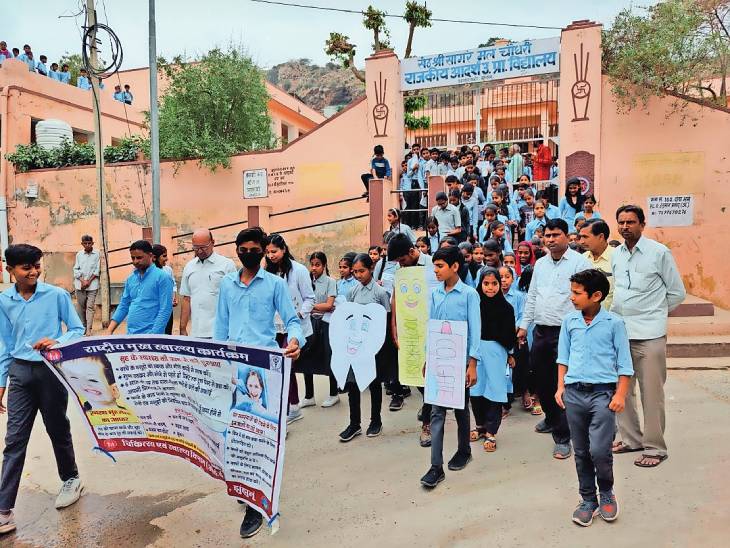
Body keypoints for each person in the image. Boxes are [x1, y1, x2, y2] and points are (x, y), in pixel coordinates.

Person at [213, 227, 302, 539]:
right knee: (235, 433)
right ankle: (244, 483)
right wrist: (218, 365)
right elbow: (221, 327)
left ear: (263, 251)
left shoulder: (275, 284)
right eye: (243, 249)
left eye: (254, 249)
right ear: (236, 250)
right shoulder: (227, 284)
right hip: (234, 369)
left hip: (264, 372)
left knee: (259, 435)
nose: (248, 254)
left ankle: (255, 504)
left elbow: (292, 321)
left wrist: (295, 340)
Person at [0, 244, 85, 535]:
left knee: (57, 428)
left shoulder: (56, 295)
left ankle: (71, 479)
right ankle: (4, 509)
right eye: (26, 268)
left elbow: (77, 330)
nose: (34, 272)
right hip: (20, 374)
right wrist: (2, 382)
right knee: (14, 440)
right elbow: (5, 344)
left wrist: (57, 341)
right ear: (10, 270)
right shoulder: (4, 301)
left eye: (37, 266)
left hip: (51, 371)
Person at [555, 269, 633, 526]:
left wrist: (620, 394)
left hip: (603, 395)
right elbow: (563, 357)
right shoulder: (569, 322)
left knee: (599, 450)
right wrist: (560, 387)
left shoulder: (614, 324)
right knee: (580, 451)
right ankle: (588, 499)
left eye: (577, 293)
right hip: (574, 394)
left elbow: (625, 364)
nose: (572, 297)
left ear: (596, 295)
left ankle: (606, 491)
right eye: (572, 292)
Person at [610, 205, 685, 468]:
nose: (625, 226)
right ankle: (631, 439)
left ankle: (655, 448)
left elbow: (677, 293)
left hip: (650, 334)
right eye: (621, 222)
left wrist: (655, 313)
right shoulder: (616, 254)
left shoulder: (659, 253)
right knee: (622, 389)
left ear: (642, 224)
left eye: (631, 222)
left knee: (651, 393)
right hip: (621, 333)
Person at [516, 219, 592, 460]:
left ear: (567, 236)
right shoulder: (540, 264)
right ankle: (551, 418)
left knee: (563, 384)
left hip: (568, 332)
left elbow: (587, 298)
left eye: (555, 235)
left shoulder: (580, 263)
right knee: (541, 379)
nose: (550, 239)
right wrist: (524, 325)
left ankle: (562, 437)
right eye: (547, 235)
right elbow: (532, 296)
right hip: (541, 330)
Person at [420, 246, 479, 489]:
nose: (435, 270)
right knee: (437, 411)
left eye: (440, 266)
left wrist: (472, 363)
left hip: (460, 362)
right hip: (439, 359)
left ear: (455, 267)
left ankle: (464, 450)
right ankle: (436, 466)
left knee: (461, 408)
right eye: (434, 266)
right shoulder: (435, 294)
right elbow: (432, 326)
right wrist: (428, 358)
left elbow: (475, 330)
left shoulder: (469, 294)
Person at [387, 233, 439, 441]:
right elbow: (396, 297)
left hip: (432, 327)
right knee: (416, 372)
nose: (401, 265)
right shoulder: (401, 270)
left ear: (412, 251)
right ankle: (429, 409)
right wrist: (394, 325)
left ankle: (428, 421)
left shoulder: (434, 265)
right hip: (410, 330)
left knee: (430, 375)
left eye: (402, 260)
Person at [339, 253, 393, 442]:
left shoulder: (380, 293)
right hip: (355, 344)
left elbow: (386, 319)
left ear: (371, 269)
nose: (358, 275)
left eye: (361, 271)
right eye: (354, 272)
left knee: (374, 383)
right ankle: (354, 424)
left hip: (373, 346)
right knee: (353, 384)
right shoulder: (352, 291)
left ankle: (375, 421)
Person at [265, 234, 314, 424]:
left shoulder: (299, 270)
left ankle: (287, 410)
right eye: (268, 252)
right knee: (278, 369)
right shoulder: (267, 272)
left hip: (294, 327)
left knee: (286, 366)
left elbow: (309, 298)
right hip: (274, 328)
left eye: (274, 251)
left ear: (284, 249)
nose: (271, 255)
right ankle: (292, 406)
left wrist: (299, 315)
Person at [470, 267, 516, 452]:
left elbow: (510, 333)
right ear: (480, 284)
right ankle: (480, 425)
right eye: (486, 283)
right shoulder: (474, 305)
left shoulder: (506, 308)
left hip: (497, 353)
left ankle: (491, 431)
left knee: (495, 391)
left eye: (494, 283)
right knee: (476, 390)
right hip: (476, 352)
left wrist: (511, 354)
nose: (490, 288)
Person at [298, 251, 340, 408]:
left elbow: (329, 305)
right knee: (306, 355)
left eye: (317, 265)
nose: (314, 268)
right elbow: (301, 302)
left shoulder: (330, 282)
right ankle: (309, 396)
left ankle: (334, 394)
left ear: (324, 265)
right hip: (309, 323)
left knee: (329, 356)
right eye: (312, 264)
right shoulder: (307, 281)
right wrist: (316, 307)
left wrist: (309, 306)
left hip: (325, 323)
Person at [178, 229, 237, 338]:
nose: (200, 251)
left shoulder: (227, 265)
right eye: (196, 248)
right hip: (196, 332)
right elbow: (187, 299)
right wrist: (182, 328)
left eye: (203, 247)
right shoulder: (189, 267)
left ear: (213, 243)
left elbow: (234, 299)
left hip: (220, 332)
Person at [107, 240, 173, 335]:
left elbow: (165, 310)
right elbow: (124, 305)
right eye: (133, 258)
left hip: (151, 336)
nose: (135, 261)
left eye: (139, 257)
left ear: (150, 256)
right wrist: (109, 330)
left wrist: (154, 335)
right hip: (131, 335)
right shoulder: (131, 279)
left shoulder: (163, 277)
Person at [578, 220, 614, 310]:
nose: (581, 241)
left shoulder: (617, 257)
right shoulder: (581, 259)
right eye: (580, 237)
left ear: (601, 237)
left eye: (585, 237)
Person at [72, 235, 99, 336]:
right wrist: (82, 281)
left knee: (90, 307)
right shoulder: (79, 254)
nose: (87, 245)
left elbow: (97, 270)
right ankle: (83, 327)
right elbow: (76, 269)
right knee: (81, 307)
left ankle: (89, 329)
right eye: (85, 243)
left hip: (93, 285)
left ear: (92, 243)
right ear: (82, 244)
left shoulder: (97, 254)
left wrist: (88, 281)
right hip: (80, 285)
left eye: (89, 243)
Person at [151, 244, 178, 335]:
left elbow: (173, 285)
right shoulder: (148, 272)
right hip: (154, 310)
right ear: (155, 257)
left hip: (167, 309)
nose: (167, 259)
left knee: (167, 334)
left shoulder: (168, 270)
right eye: (164, 256)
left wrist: (174, 297)